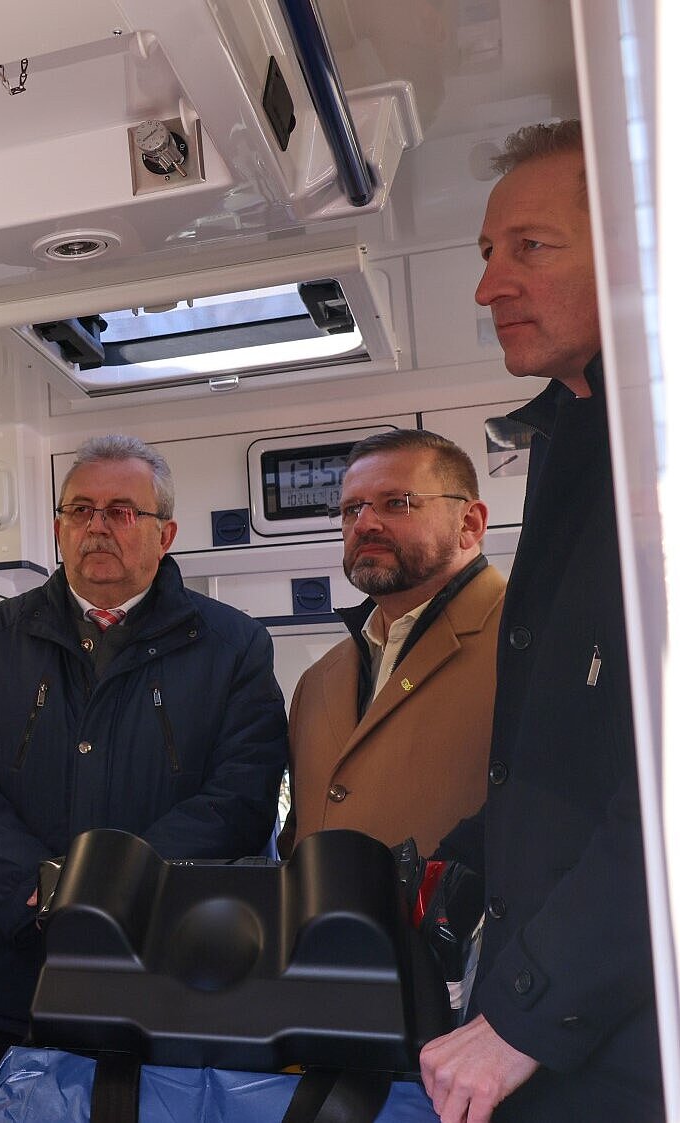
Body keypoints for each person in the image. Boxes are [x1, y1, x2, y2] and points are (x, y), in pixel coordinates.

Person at [417, 119, 662, 1122]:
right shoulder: (576, 443)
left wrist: (524, 1012)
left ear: (639, 248)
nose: (488, 287)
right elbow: (580, 757)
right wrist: (460, 860)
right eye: (486, 254)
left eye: (530, 246)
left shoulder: (658, 462)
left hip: (622, 1035)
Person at [0, 435, 287, 1090]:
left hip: (171, 970)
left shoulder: (234, 645)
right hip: (20, 967)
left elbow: (243, 794)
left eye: (121, 511)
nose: (97, 525)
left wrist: (114, 885)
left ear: (165, 532)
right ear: (60, 527)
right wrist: (34, 886)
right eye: (81, 509)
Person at [281, 429, 502, 852]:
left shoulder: (526, 642)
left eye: (396, 503)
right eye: (350, 510)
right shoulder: (317, 681)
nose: (364, 524)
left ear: (469, 524)